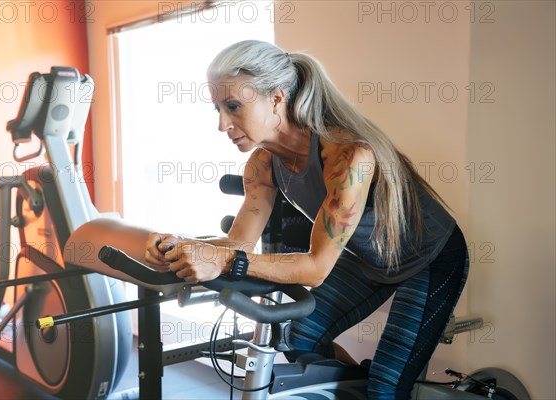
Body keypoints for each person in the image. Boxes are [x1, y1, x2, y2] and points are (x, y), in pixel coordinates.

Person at [145, 40, 469, 400]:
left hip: (430, 260)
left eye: (233, 106)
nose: (222, 124)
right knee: (297, 339)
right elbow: (238, 244)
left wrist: (221, 260)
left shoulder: (347, 157)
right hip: (368, 258)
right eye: (218, 108)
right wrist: (184, 247)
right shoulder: (262, 164)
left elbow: (315, 268)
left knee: (386, 389)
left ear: (277, 98)